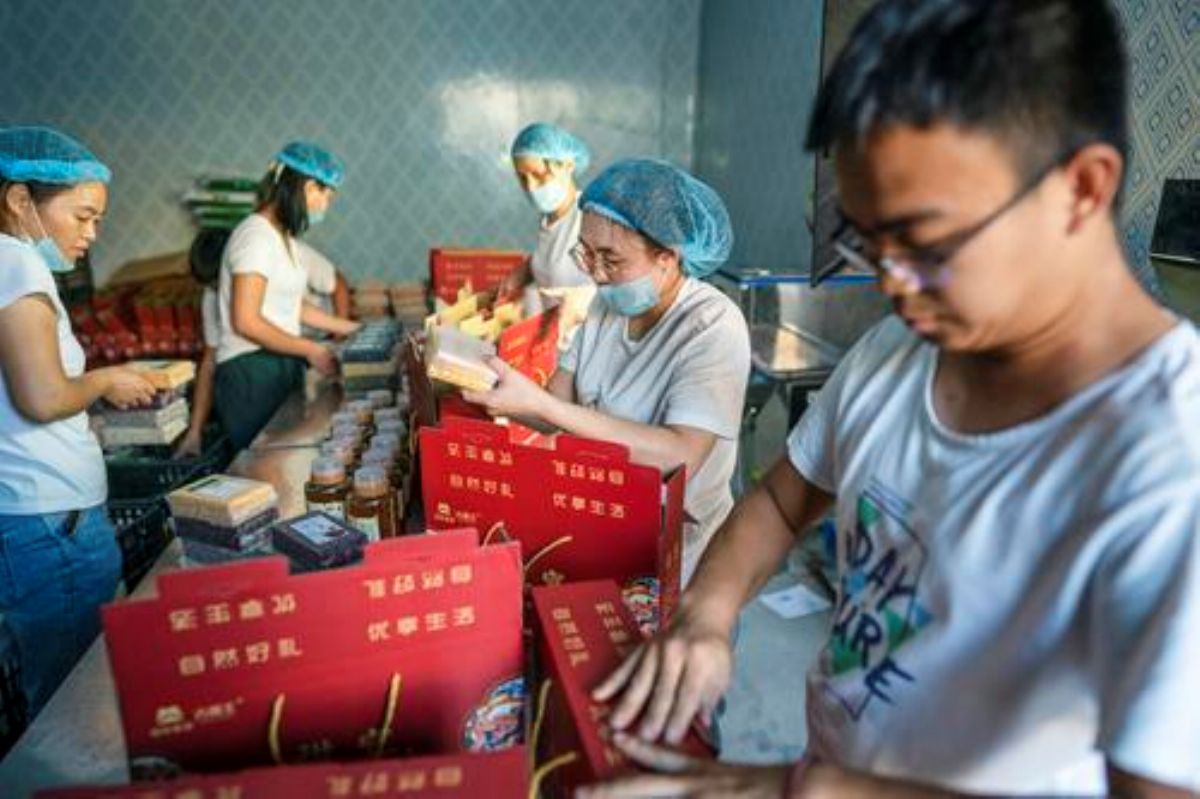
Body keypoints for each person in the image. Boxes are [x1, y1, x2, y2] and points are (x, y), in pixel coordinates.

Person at [581, 1, 1200, 797]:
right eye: (869, 243)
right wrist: (708, 614)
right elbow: (781, 500)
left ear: (1080, 188)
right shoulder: (898, 352)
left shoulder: (1167, 461)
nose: (894, 285)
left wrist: (808, 789)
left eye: (926, 241)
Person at [464, 159, 751, 585]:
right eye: (586, 253)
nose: (596, 274)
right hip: (604, 521)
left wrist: (543, 406)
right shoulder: (606, 306)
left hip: (681, 552)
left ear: (667, 258)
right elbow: (556, 406)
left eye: (611, 259)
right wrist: (489, 382)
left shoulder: (711, 325)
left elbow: (680, 453)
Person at [0, 126, 156, 717]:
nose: (91, 233)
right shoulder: (16, 264)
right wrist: (105, 381)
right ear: (20, 200)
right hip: (49, 524)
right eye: (83, 216)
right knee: (71, 710)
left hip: (44, 518)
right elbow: (42, 398)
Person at [213, 141, 359, 450]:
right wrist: (311, 349)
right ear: (308, 188)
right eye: (326, 196)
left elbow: (292, 306)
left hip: (277, 361)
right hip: (251, 370)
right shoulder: (255, 237)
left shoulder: (282, 238)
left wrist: (353, 329)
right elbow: (246, 320)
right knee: (263, 461)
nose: (324, 206)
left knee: (281, 459)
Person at [501, 122, 596, 331]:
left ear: (568, 166)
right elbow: (559, 259)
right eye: (522, 177)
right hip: (552, 345)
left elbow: (628, 287)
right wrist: (526, 272)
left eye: (538, 174)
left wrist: (587, 299)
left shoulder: (591, 217)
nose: (530, 187)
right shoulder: (549, 220)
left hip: (585, 346)